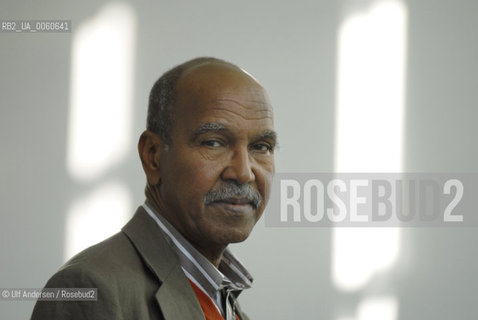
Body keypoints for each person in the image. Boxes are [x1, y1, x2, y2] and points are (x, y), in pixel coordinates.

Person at [31, 57, 277, 320]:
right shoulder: (89, 289)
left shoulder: (221, 297)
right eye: (214, 143)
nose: (243, 172)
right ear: (153, 156)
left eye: (261, 147)